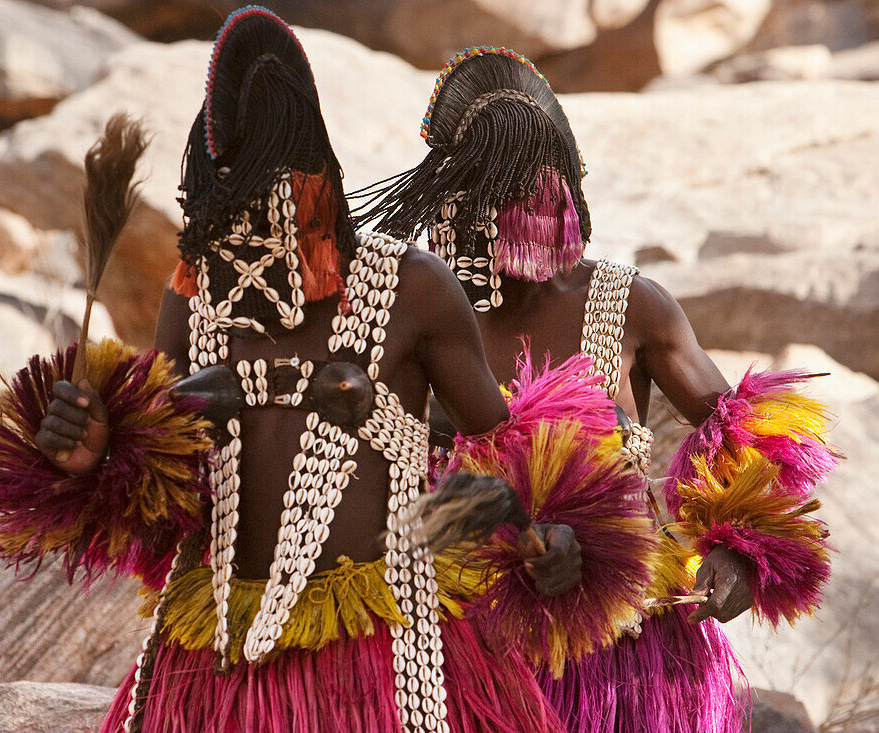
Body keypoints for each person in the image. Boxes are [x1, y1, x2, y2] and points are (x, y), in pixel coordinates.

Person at [0, 12, 657, 733]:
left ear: (322, 186)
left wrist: (554, 534)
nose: (255, 243)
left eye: (280, 207)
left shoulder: (411, 287)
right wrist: (95, 459)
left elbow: (505, 450)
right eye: (232, 219)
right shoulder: (194, 297)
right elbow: (162, 496)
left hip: (393, 658)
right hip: (214, 668)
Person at [355, 46, 839, 733]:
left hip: (631, 660)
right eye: (501, 195)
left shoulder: (630, 304)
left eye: (540, 195)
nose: (530, 214)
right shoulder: (424, 315)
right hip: (465, 657)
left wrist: (734, 552)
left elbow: (754, 435)